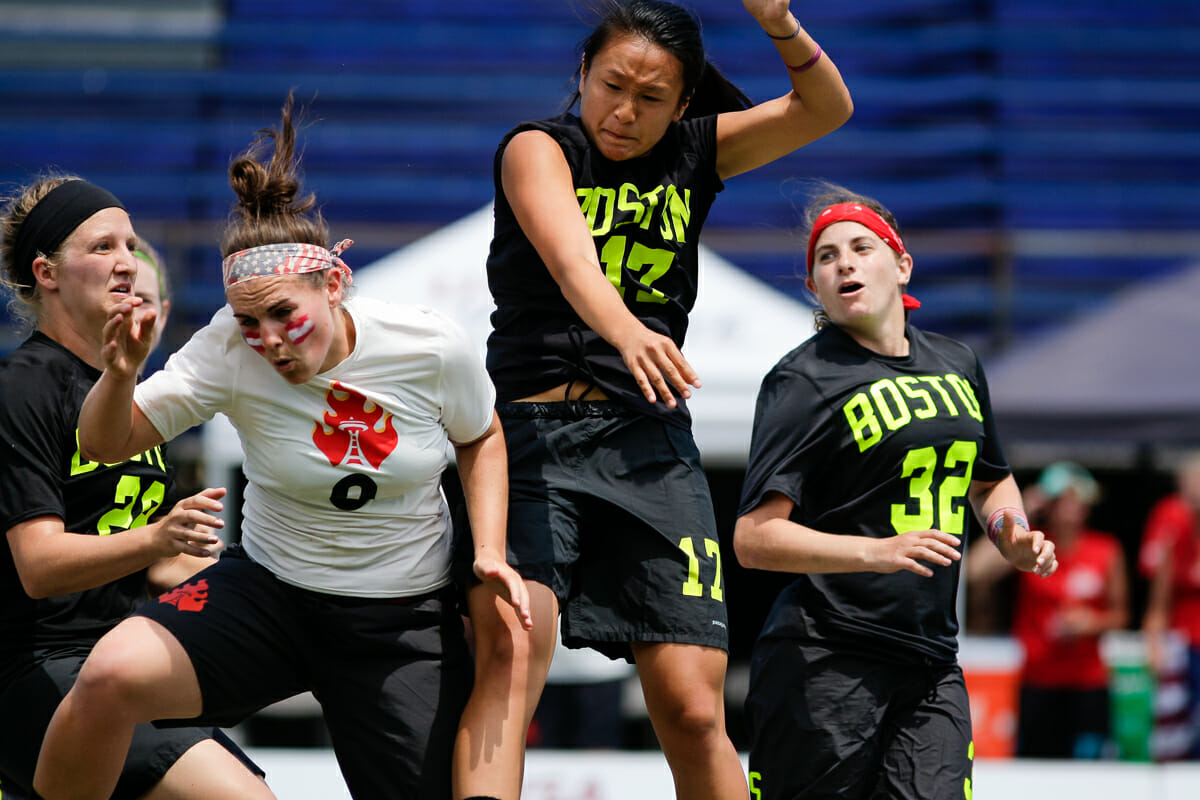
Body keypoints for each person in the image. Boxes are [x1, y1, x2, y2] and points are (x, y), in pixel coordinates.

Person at [33, 96, 531, 800]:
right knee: (110, 674)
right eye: (249, 320)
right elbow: (104, 442)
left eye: (283, 315)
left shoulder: (426, 345)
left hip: (399, 623)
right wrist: (119, 375)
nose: (267, 339)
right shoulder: (228, 348)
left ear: (333, 285)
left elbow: (481, 436)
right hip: (270, 597)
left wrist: (486, 550)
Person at [454, 2, 854, 799]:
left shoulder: (697, 153)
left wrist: (779, 22)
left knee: (694, 708)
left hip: (649, 446)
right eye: (611, 85)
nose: (624, 111)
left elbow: (827, 109)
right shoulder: (538, 148)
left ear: (682, 104)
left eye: (651, 97)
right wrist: (627, 332)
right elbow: (572, 261)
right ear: (583, 74)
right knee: (509, 660)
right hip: (531, 440)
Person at [733, 185, 1058, 800]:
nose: (844, 263)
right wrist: (874, 552)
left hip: (931, 657)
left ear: (901, 264)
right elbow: (754, 539)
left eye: (860, 246)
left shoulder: (957, 362)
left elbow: (989, 479)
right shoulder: (802, 379)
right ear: (815, 290)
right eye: (825, 258)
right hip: (825, 655)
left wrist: (1008, 532)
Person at [0, 176, 271, 799]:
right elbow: (39, 566)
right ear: (46, 272)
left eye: (130, 243)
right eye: (102, 247)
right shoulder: (25, 385)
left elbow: (142, 555)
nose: (127, 261)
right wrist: (156, 540)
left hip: (119, 656)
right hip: (37, 666)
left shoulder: (126, 397)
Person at [969, 461, 1128, 758]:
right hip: (1038, 682)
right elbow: (976, 571)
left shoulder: (1105, 549)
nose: (1071, 509)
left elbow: (1122, 615)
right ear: (1050, 503)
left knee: (1090, 773)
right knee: (1036, 771)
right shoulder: (1031, 542)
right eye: (1063, 500)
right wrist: (1019, 511)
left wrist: (1089, 622)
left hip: (1088, 683)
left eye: (1078, 501)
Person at [1140, 452, 1200, 758]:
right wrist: (1154, 636)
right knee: (1178, 731)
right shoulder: (1172, 515)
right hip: (1183, 641)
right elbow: (1159, 584)